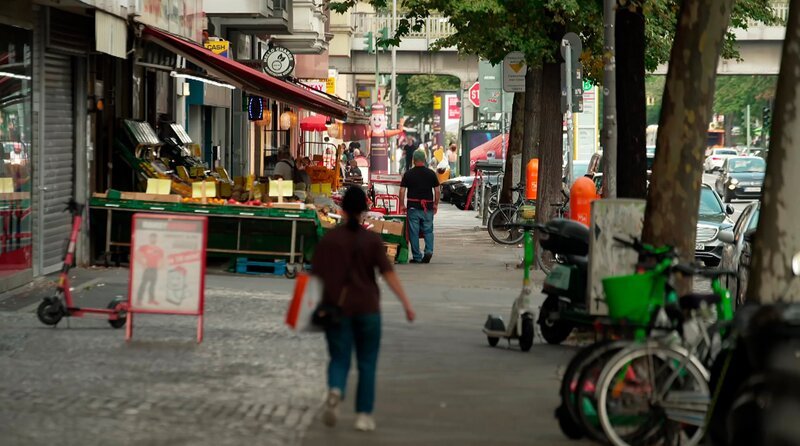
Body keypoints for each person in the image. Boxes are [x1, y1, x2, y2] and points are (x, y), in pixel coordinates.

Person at [312, 186, 415, 432]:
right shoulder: (371, 240)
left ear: (342, 209)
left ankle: (336, 389)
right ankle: (363, 416)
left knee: (339, 358)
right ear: (364, 210)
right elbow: (388, 275)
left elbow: (315, 276)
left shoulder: (329, 240)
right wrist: (406, 304)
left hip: (337, 309)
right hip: (368, 309)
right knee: (367, 362)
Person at [400, 149, 440, 264]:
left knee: (414, 232)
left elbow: (402, 191)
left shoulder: (408, 174)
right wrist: (435, 204)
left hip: (413, 207)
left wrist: (402, 205)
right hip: (427, 207)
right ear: (425, 160)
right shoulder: (431, 173)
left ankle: (417, 257)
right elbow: (437, 191)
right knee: (428, 230)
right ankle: (429, 251)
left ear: (413, 160)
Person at [136, 232, 164, 306]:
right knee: (144, 284)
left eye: (154, 237)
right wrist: (142, 264)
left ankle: (151, 300)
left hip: (154, 269)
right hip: (147, 269)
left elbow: (161, 259)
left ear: (156, 239)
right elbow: (137, 255)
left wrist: (160, 266)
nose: (153, 239)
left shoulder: (159, 249)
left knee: (152, 285)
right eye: (152, 237)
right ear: (149, 238)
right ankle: (139, 300)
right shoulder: (144, 247)